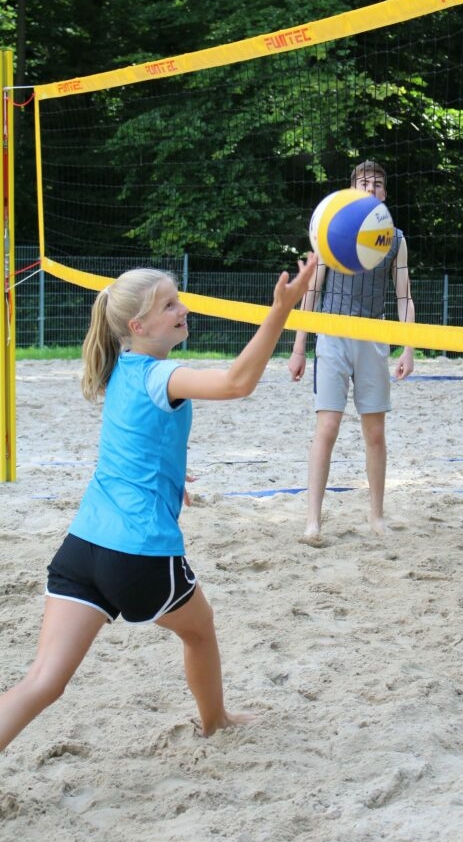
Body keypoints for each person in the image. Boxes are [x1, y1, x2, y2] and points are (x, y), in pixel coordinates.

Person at [0, 254, 317, 752]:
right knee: (200, 631)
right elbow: (237, 383)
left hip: (82, 548)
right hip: (139, 554)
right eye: (169, 305)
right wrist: (282, 309)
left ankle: (216, 719)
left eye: (178, 299)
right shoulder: (159, 375)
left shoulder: (119, 372)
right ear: (138, 326)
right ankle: (215, 722)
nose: (182, 308)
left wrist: (169, 473)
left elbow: (135, 442)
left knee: (43, 681)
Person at [288, 160, 415, 540]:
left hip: (374, 337)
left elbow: (404, 296)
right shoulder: (332, 230)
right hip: (333, 334)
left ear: (385, 195)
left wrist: (409, 348)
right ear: (351, 189)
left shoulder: (395, 239)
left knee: (374, 432)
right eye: (364, 182)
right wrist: (298, 347)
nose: (370, 188)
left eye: (377, 184)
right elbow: (311, 291)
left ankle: (376, 517)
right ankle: (313, 520)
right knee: (327, 427)